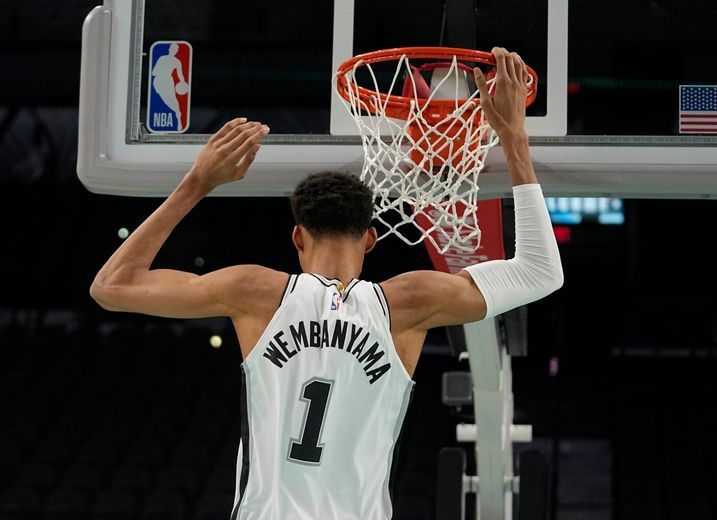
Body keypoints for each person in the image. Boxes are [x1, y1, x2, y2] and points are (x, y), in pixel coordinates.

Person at [90, 48, 563, 520]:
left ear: (297, 235)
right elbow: (541, 272)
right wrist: (513, 139)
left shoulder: (257, 292)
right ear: (372, 239)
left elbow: (112, 285)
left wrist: (197, 182)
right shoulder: (406, 303)